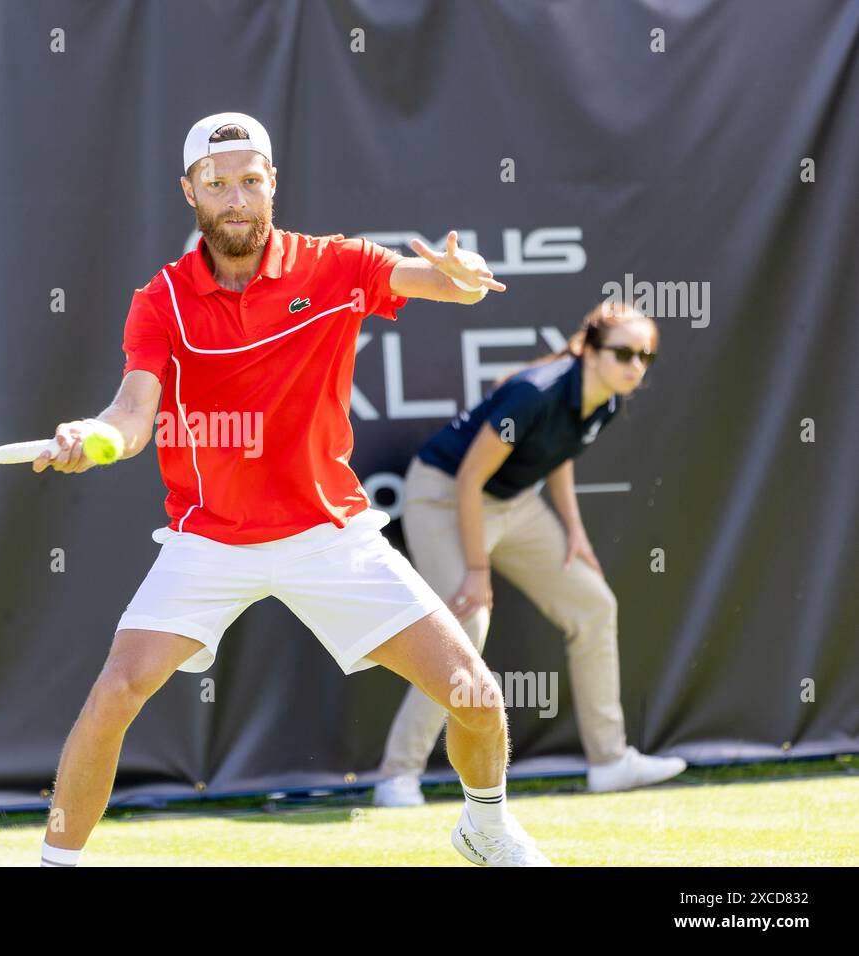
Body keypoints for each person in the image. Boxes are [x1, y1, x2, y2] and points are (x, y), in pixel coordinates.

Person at [32, 111, 549, 866]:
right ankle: (56, 861)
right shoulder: (162, 301)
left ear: (272, 182)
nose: (235, 196)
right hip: (208, 538)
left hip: (326, 532)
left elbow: (426, 279)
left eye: (249, 179)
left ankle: (486, 828)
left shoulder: (334, 265)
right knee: (115, 692)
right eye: (217, 183)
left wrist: (458, 282)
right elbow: (132, 415)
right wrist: (96, 438)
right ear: (190, 192)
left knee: (472, 691)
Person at [373, 300, 687, 808]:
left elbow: (558, 454)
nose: (635, 366)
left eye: (645, 357)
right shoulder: (533, 393)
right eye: (624, 352)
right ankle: (397, 775)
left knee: (594, 605)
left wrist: (574, 531)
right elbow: (470, 480)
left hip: (514, 503)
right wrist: (478, 572)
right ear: (589, 349)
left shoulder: (605, 399)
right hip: (443, 495)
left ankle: (609, 762)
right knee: (466, 629)